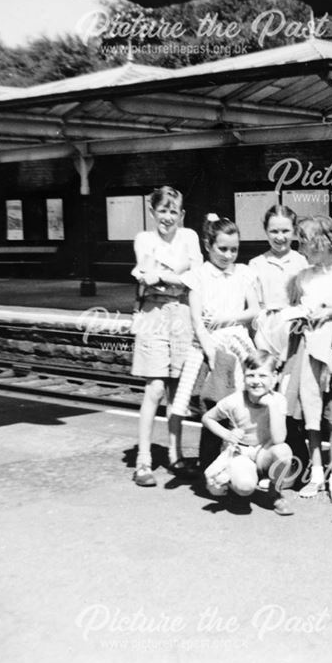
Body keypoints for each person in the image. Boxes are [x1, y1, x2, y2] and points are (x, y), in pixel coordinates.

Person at [281, 215, 332, 506]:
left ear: (323, 243)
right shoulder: (301, 277)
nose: (301, 247)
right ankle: (316, 475)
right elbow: (291, 313)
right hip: (308, 352)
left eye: (306, 242)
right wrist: (297, 319)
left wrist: (330, 312)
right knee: (312, 418)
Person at [130, 186, 202, 487]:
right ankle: (143, 460)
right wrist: (178, 273)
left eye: (174, 211)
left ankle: (175, 455)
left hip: (182, 317)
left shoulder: (190, 237)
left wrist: (161, 275)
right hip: (153, 317)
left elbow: (195, 275)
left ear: (182, 214)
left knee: (178, 391)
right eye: (163, 211)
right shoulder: (144, 239)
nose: (168, 217)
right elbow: (147, 274)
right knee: (155, 388)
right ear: (152, 213)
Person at [169, 214, 258, 423]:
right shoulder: (199, 277)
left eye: (233, 250)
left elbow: (254, 310)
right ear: (208, 245)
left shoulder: (243, 273)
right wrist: (211, 355)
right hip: (208, 344)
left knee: (241, 400)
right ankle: (193, 450)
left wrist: (228, 318)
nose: (228, 255)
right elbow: (197, 322)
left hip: (238, 343)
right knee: (209, 403)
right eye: (223, 249)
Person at [201, 351, 296, 516]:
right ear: (244, 377)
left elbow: (279, 438)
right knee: (245, 487)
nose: (256, 381)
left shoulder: (279, 400)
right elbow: (207, 418)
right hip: (241, 453)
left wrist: (272, 406)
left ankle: (275, 493)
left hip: (264, 452)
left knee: (284, 452)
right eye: (251, 375)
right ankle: (234, 485)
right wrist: (226, 434)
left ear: (274, 378)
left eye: (263, 376)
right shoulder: (234, 400)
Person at [249, 205, 308, 362]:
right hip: (266, 329)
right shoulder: (256, 264)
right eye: (274, 231)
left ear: (294, 230)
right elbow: (255, 307)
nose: (280, 237)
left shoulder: (302, 262)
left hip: (293, 329)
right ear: (266, 231)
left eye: (285, 231)